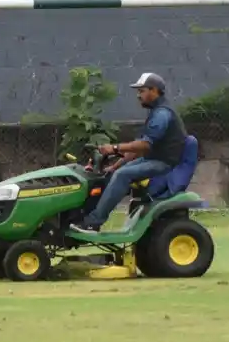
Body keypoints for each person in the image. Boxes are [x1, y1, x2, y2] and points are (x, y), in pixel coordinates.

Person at [71, 72, 186, 233]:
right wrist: (115, 166)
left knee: (122, 175)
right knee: (113, 174)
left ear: (154, 91)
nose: (138, 96)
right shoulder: (155, 112)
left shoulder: (162, 114)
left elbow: (144, 145)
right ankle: (84, 216)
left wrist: (115, 148)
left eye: (141, 91)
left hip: (164, 163)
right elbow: (137, 148)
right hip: (153, 159)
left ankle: (94, 222)